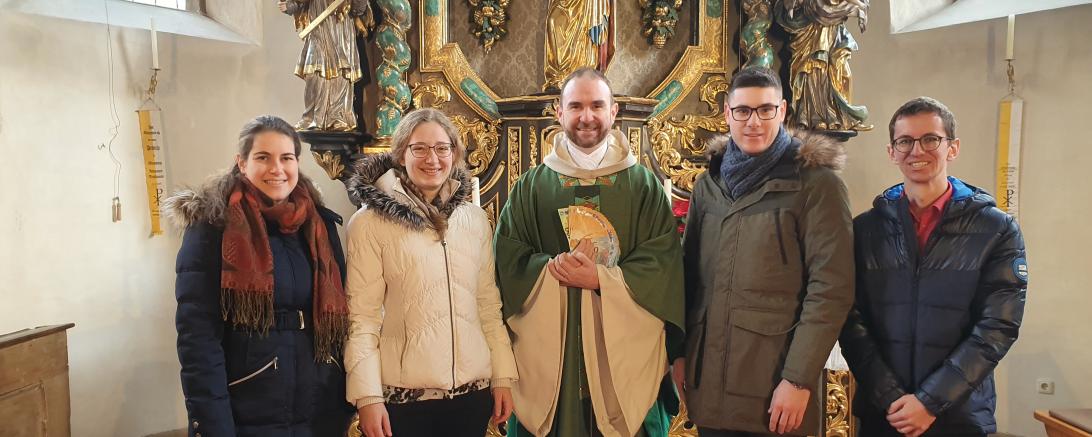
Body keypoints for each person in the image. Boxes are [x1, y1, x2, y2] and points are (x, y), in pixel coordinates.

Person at [495, 67, 685, 437]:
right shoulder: (531, 186)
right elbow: (507, 259)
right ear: (559, 112)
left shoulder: (643, 186)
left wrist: (601, 278)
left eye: (597, 106)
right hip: (555, 360)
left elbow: (663, 264)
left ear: (614, 112)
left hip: (625, 357)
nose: (587, 117)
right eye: (576, 106)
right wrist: (550, 270)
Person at [678, 66, 854, 437]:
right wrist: (681, 354)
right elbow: (688, 277)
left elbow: (831, 290)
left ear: (783, 111)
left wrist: (798, 379)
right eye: (743, 110)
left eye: (765, 110)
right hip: (709, 387)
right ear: (727, 114)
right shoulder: (708, 185)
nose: (753, 121)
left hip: (773, 388)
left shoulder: (815, 185)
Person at [839, 96, 1028, 437]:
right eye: (905, 141)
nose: (917, 150)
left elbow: (997, 327)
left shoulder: (996, 229)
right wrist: (891, 398)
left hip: (959, 414)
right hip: (886, 414)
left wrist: (930, 402)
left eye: (931, 139)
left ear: (952, 148)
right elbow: (850, 317)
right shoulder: (865, 229)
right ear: (891, 151)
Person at [167, 115, 354, 436]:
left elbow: (342, 317)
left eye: (286, 158)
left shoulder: (319, 224)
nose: (276, 169)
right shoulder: (213, 226)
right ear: (242, 163)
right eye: (263, 157)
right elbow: (197, 338)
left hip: (319, 400)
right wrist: (212, 422)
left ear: (297, 162)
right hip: (249, 401)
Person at [342, 108, 518, 437]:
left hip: (472, 396)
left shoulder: (474, 220)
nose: (432, 159)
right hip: (405, 401)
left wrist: (503, 377)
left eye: (442, 148)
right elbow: (361, 317)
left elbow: (488, 305)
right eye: (419, 148)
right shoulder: (369, 223)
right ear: (401, 155)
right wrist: (367, 397)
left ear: (455, 154)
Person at [279, 0, 371, 131]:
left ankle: (338, 117)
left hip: (341, 31)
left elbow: (358, 9)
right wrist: (289, 6)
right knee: (313, 75)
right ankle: (311, 118)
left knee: (340, 74)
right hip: (317, 28)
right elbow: (299, 3)